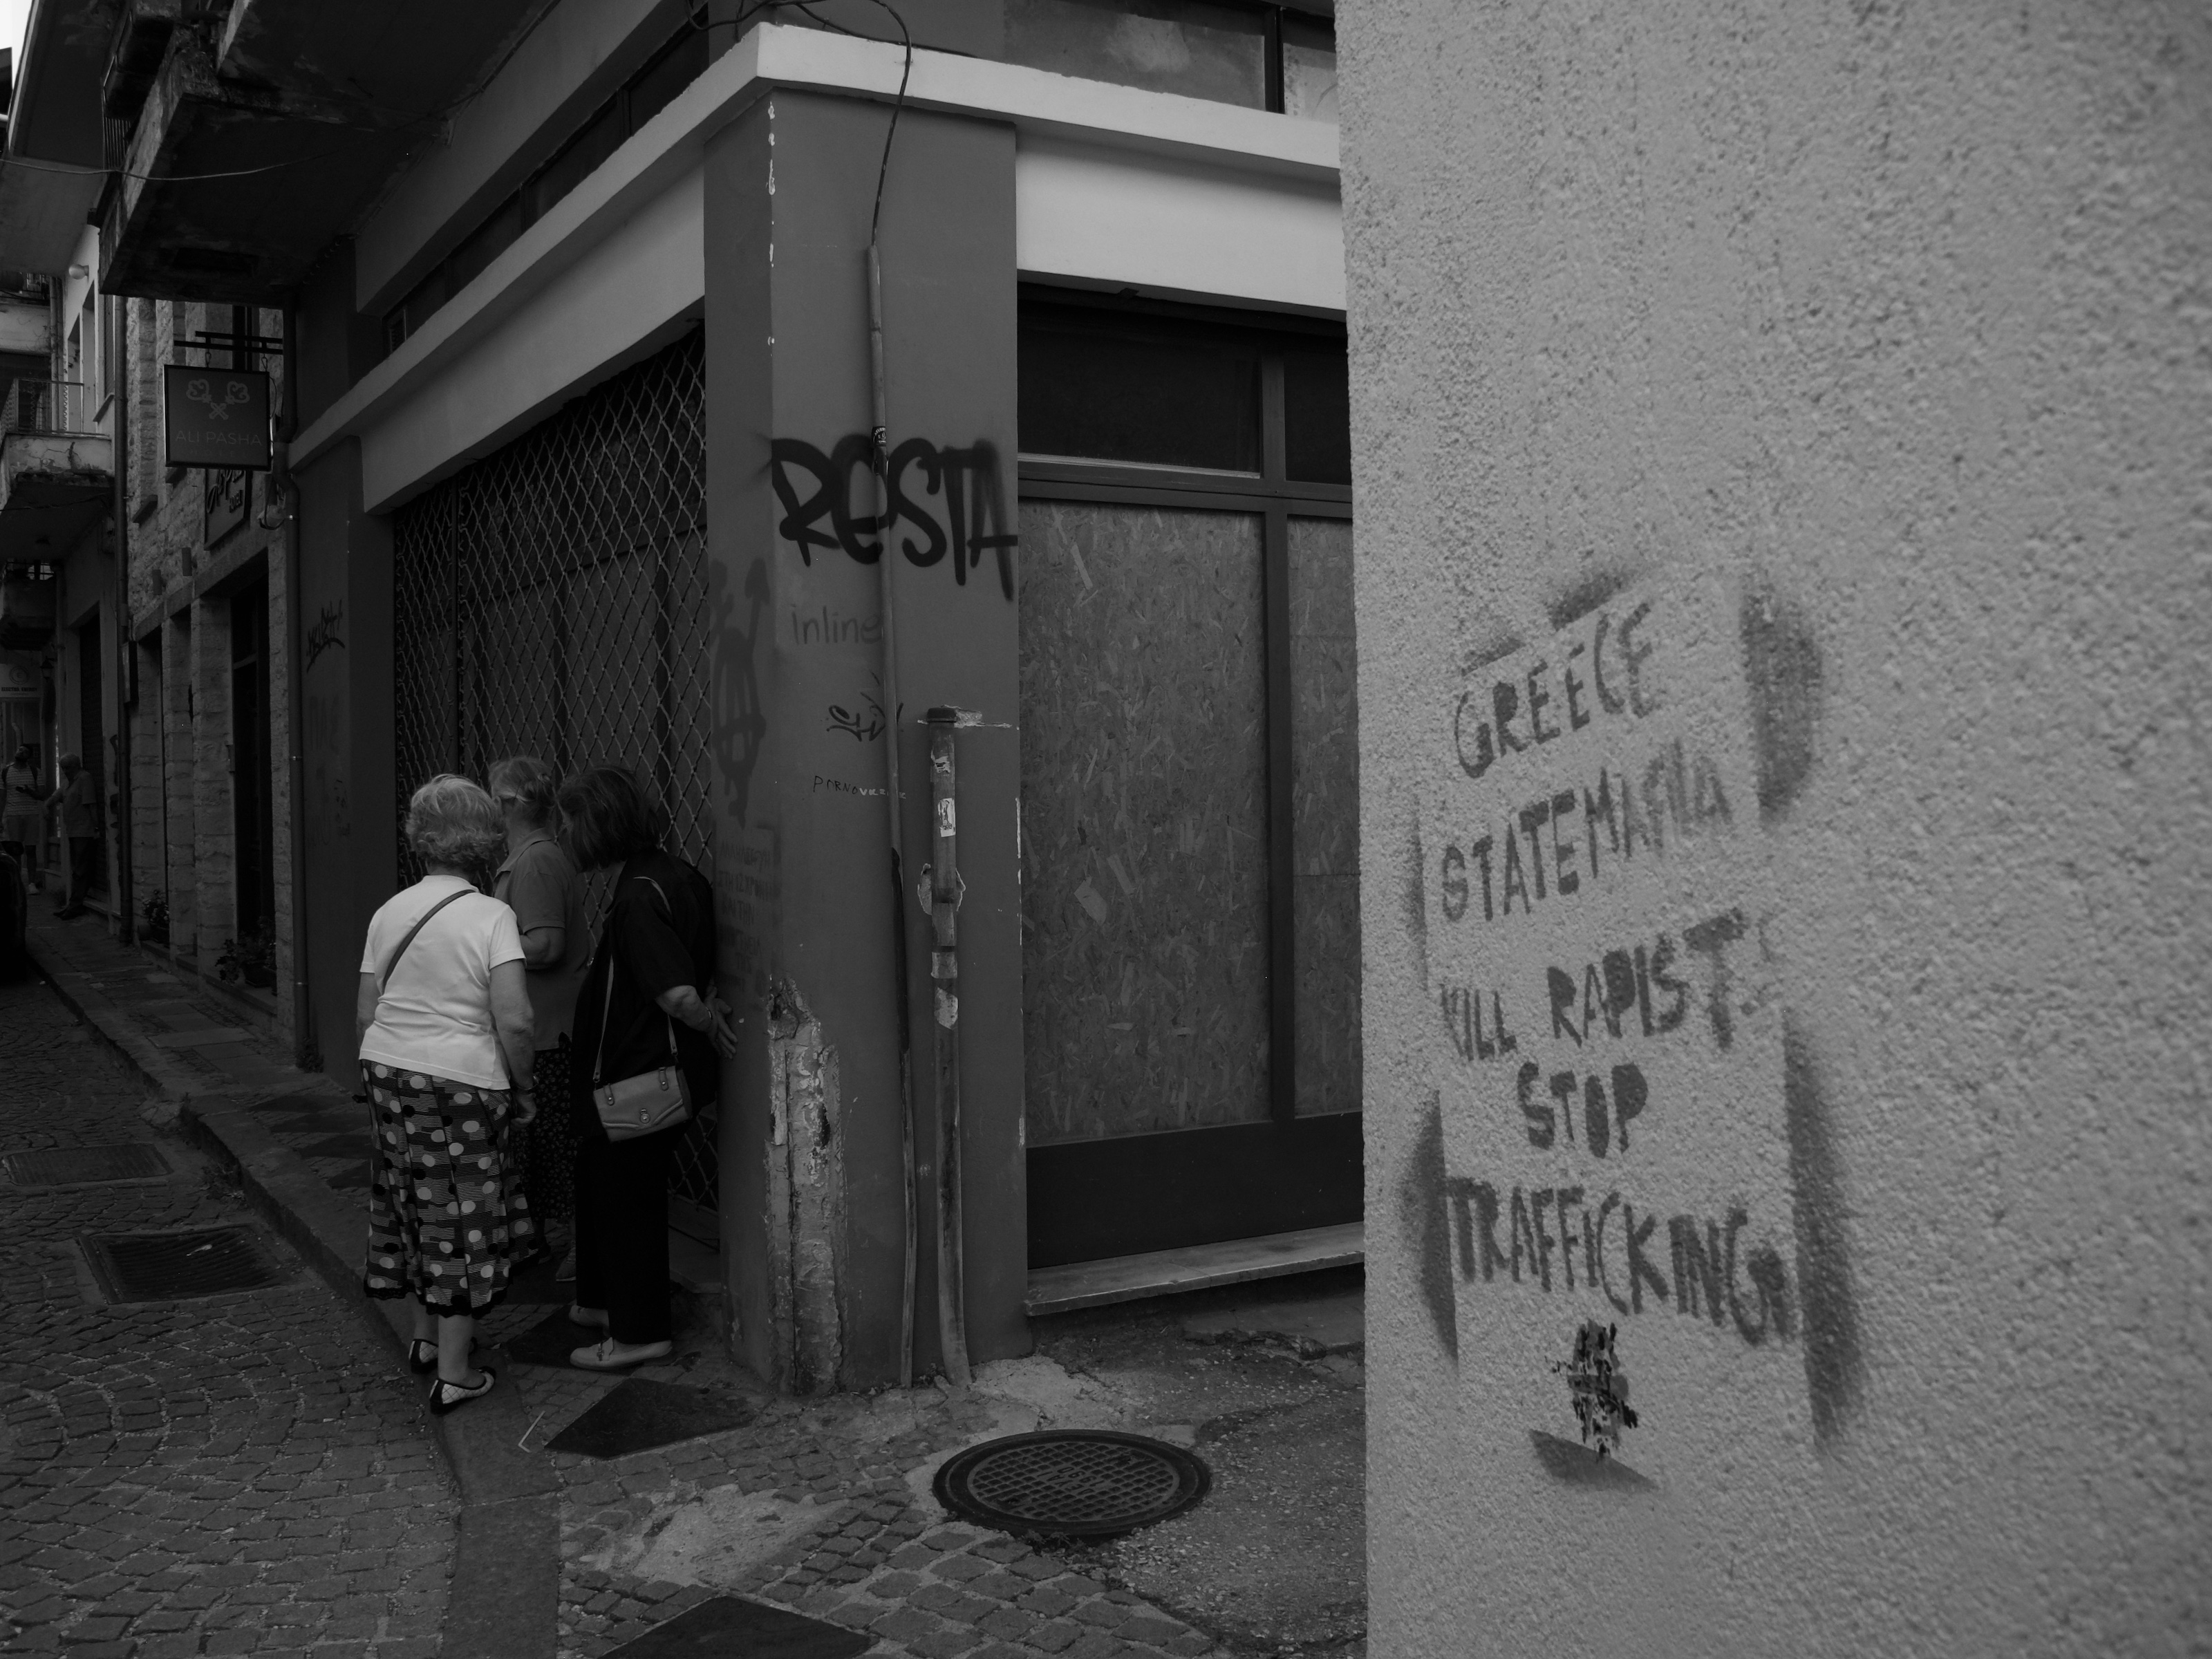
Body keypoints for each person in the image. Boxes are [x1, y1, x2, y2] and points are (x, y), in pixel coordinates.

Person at [356, 774, 539, 1415]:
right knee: (463, 1215)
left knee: (410, 1195)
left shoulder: (389, 911)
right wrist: (525, 1088)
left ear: (421, 838)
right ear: (485, 840)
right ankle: (457, 1373)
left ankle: (426, 1339)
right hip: (460, 1079)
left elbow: (366, 1012)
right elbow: (514, 1019)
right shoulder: (492, 916)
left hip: (388, 1070)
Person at [558, 765, 737, 1369]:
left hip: (641, 1080)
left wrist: (710, 1021)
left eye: (571, 821)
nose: (565, 833)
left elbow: (678, 995)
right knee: (605, 1183)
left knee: (626, 1198)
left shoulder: (636, 897)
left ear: (596, 827)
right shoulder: (674, 875)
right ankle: (601, 1302)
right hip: (653, 1073)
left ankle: (639, 1332)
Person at [488, 756, 590, 1238]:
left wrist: (482, 945)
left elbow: (547, 943)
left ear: (507, 804)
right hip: (543, 1027)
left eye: (493, 797)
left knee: (553, 1147)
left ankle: (575, 1249)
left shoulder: (536, 861)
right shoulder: (531, 857)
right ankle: (550, 1241)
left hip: (549, 1032)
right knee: (544, 1147)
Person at [53, 753, 98, 919]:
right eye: (63, 768)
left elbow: (91, 804)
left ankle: (75, 905)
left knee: (81, 869)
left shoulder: (84, 779)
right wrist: (47, 805)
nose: (65, 771)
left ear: (76, 766)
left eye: (67, 767)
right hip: (73, 831)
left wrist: (96, 827)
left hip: (84, 831)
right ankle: (72, 904)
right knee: (76, 870)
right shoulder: (69, 782)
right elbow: (58, 795)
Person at [2, 744, 49, 896]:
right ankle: (17, 883)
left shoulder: (35, 772)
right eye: (19, 749)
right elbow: (2, 796)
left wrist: (29, 790)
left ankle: (31, 883)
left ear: (28, 757)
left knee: (31, 849)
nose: (20, 752)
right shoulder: (6, 772)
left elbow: (42, 794)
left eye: (24, 751)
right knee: (15, 850)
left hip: (31, 814)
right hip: (13, 814)